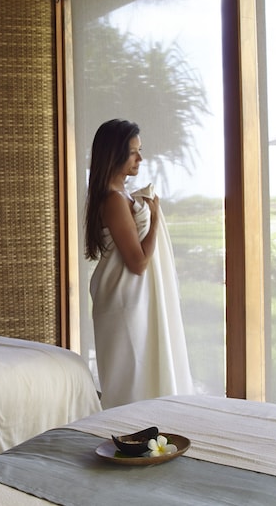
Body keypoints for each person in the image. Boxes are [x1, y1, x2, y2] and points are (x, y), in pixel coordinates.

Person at [83, 119, 194, 408]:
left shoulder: (121, 196)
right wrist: (155, 217)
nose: (140, 158)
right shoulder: (113, 200)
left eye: (140, 151)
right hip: (125, 300)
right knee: (130, 375)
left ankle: (149, 430)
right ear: (114, 153)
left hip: (132, 297)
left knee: (141, 368)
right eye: (133, 152)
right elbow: (139, 263)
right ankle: (131, 433)